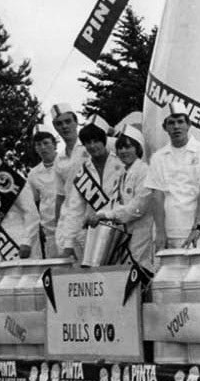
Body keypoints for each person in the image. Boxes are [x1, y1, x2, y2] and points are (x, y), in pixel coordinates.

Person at [145, 102, 200, 250]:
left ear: (188, 124)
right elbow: (157, 196)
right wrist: (160, 232)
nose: (176, 127)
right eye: (171, 123)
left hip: (198, 232)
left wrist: (198, 227)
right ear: (165, 127)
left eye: (180, 122)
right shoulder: (158, 157)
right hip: (169, 230)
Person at [57, 115, 124, 261]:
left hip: (124, 230)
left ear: (104, 141)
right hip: (96, 235)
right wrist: (68, 245)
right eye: (88, 143)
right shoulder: (83, 172)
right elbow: (74, 209)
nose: (93, 146)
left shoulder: (121, 164)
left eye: (96, 141)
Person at [94, 125, 154, 268]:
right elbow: (114, 203)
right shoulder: (122, 173)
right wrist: (98, 215)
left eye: (128, 147)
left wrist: (107, 215)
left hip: (142, 233)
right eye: (120, 148)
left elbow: (137, 208)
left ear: (138, 149)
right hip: (124, 235)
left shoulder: (145, 171)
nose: (123, 151)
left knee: (141, 272)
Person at [0, 142, 38, 259]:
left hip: (21, 238)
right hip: (2, 241)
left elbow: (31, 213)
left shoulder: (15, 181)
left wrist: (26, 242)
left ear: (2, 160)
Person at [50, 103, 87, 228]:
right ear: (55, 128)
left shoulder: (91, 145)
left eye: (68, 121)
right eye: (59, 124)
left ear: (76, 122)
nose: (64, 126)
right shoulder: (59, 159)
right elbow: (61, 195)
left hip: (96, 213)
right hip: (74, 219)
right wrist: (58, 224)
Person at [27, 127, 59, 258]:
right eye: (39, 145)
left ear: (54, 144)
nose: (43, 147)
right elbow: (34, 202)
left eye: (46, 143)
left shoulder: (67, 163)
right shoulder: (33, 174)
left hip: (74, 227)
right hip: (51, 232)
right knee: (57, 273)